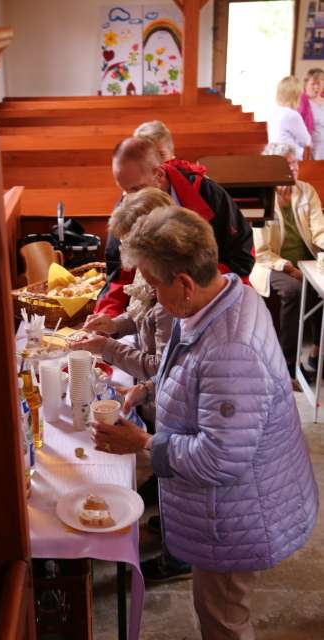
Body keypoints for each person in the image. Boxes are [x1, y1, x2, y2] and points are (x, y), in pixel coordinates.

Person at [91, 204, 318, 639]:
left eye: (155, 285)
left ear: (184, 283)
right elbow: (189, 372)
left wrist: (141, 442)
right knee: (216, 610)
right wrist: (151, 388)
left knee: (223, 619)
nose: (153, 296)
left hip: (242, 512)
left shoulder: (232, 347)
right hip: (235, 503)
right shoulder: (219, 297)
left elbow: (218, 458)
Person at [95, 136, 254, 317]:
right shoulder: (129, 207)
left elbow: (242, 258)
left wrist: (184, 288)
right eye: (124, 189)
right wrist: (105, 318)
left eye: (137, 189)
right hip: (161, 307)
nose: (129, 198)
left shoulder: (206, 193)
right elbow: (119, 275)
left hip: (217, 301)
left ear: (159, 174)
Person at [72, 187, 174, 427]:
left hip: (164, 413)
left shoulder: (171, 294)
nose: (127, 252)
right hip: (148, 398)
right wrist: (114, 325)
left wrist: (107, 347)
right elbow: (143, 315)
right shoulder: (149, 271)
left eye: (130, 243)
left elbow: (162, 369)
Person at [250, 142, 324, 383]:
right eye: (286, 164)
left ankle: (317, 355)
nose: (292, 169)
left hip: (306, 262)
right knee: (294, 290)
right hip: (271, 264)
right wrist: (290, 269)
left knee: (321, 288)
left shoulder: (306, 190)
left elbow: (319, 231)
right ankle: (287, 363)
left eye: (294, 163)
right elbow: (262, 252)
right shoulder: (262, 196)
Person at [268, 76, 311, 160]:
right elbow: (306, 141)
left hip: (274, 157)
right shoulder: (292, 115)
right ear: (296, 95)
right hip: (289, 161)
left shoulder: (274, 112)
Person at [298, 68, 324, 160]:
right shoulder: (301, 103)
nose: (316, 87)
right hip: (313, 150)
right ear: (306, 84)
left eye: (319, 84)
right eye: (313, 84)